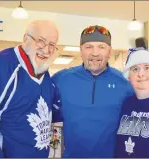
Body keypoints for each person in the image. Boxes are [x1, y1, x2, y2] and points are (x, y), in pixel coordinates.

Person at [0, 20, 60, 158]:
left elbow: (54, 119)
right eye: (41, 41)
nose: (46, 50)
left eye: (52, 45)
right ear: (26, 39)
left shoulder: (45, 74)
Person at [52, 25, 134, 157]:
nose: (95, 53)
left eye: (101, 47)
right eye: (88, 46)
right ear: (81, 50)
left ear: (110, 51)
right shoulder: (61, 79)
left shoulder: (125, 84)